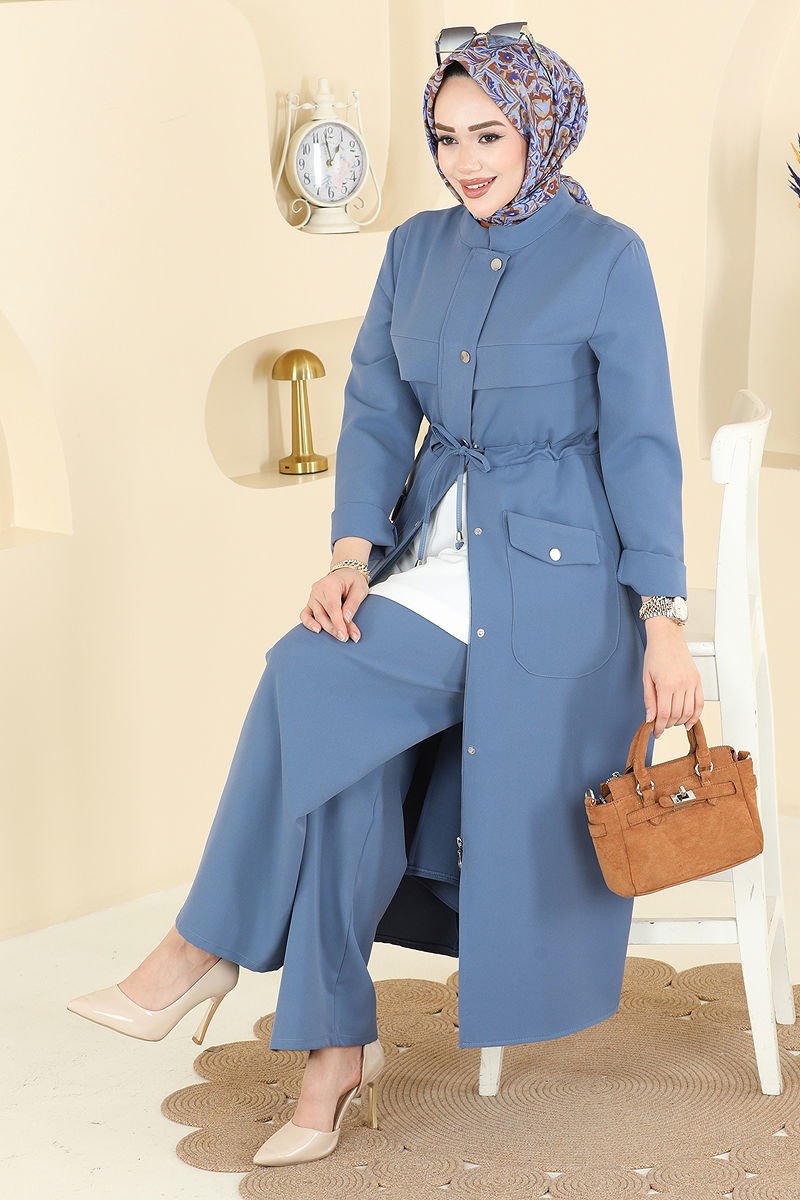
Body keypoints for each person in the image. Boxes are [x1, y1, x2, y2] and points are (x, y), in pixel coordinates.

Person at [66, 26, 704, 1169]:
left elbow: (642, 443)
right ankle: (330, 1059)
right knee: (343, 758)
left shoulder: (607, 256)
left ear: (542, 129)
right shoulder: (414, 247)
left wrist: (662, 616)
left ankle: (203, 949)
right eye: (446, 139)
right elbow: (372, 405)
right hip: (429, 557)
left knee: (306, 671)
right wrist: (351, 551)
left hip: (550, 584)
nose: (464, 163)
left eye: (488, 136)